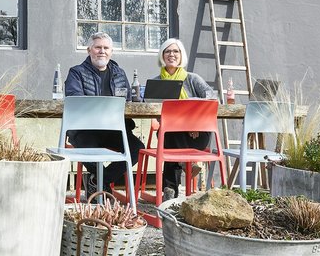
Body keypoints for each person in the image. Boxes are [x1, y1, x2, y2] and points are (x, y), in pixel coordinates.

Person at [64, 32, 143, 195]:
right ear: (89, 50)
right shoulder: (76, 72)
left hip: (114, 129)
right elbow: (75, 99)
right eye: (98, 47)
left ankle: (98, 181)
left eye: (106, 48)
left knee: (137, 148)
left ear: (111, 52)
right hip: (85, 129)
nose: (102, 51)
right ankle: (101, 184)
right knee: (90, 152)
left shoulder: (119, 73)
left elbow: (128, 101)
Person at [155, 38, 213, 199]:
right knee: (168, 132)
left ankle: (169, 189)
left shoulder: (192, 79)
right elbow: (152, 108)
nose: (171, 54)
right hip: (172, 133)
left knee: (167, 136)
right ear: (162, 55)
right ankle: (177, 177)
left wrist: (194, 123)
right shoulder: (157, 82)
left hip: (197, 134)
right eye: (167, 51)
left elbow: (211, 98)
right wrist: (181, 123)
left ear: (181, 55)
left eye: (175, 51)